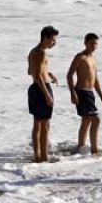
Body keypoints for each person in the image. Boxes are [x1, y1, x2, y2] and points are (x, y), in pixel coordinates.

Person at [66, 32, 102, 155]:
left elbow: (95, 80)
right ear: (85, 43)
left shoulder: (93, 59)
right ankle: (94, 150)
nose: (94, 46)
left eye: (96, 43)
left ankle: (81, 146)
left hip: (90, 92)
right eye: (91, 43)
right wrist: (72, 93)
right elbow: (69, 75)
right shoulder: (80, 57)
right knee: (96, 120)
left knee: (86, 120)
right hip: (81, 92)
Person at [28, 26, 59, 163]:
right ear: (45, 38)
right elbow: (38, 75)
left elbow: (31, 71)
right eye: (53, 40)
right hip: (41, 89)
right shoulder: (41, 53)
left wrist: (48, 72)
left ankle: (37, 155)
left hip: (34, 89)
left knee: (37, 124)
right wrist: (47, 95)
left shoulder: (33, 52)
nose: (54, 43)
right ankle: (44, 157)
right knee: (45, 125)